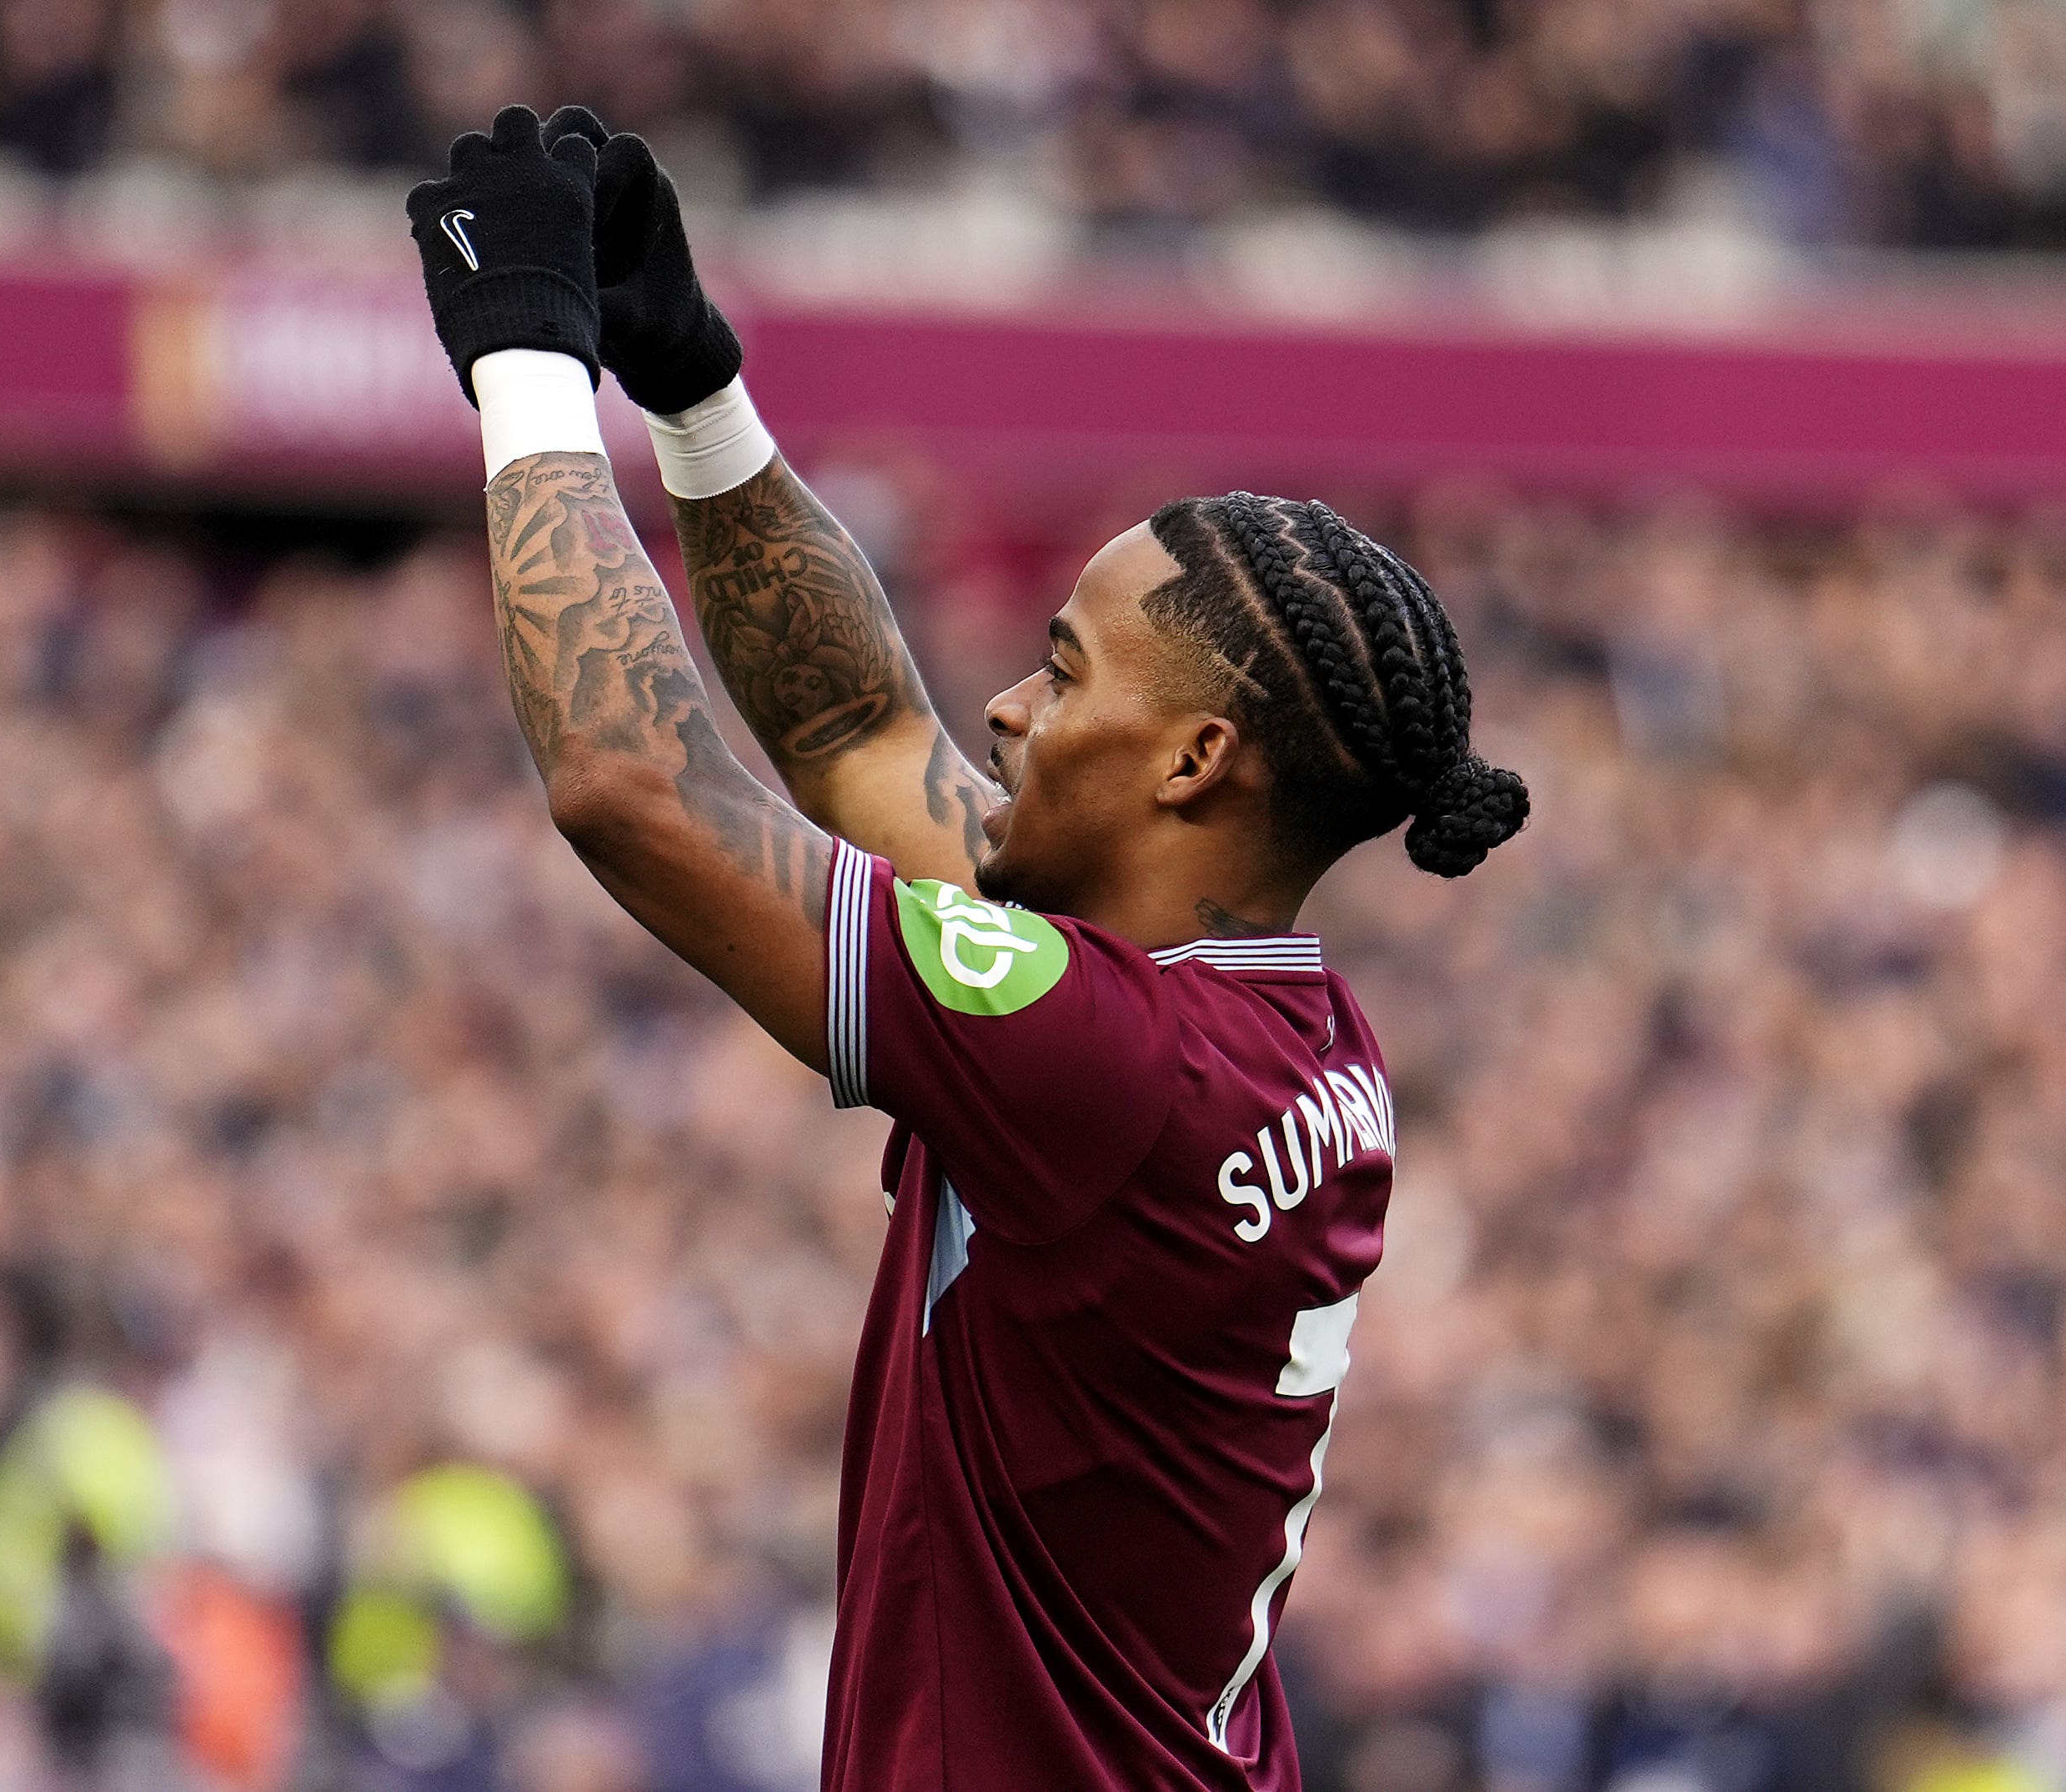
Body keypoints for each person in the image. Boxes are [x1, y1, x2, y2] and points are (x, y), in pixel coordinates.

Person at [403, 105, 1530, 1791]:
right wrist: (695, 386)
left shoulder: (1109, 1062)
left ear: (1193, 763)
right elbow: (859, 728)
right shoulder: (1276, 1024)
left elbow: (633, 784)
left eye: (1065, 673)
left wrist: (529, 369)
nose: (1003, 704)